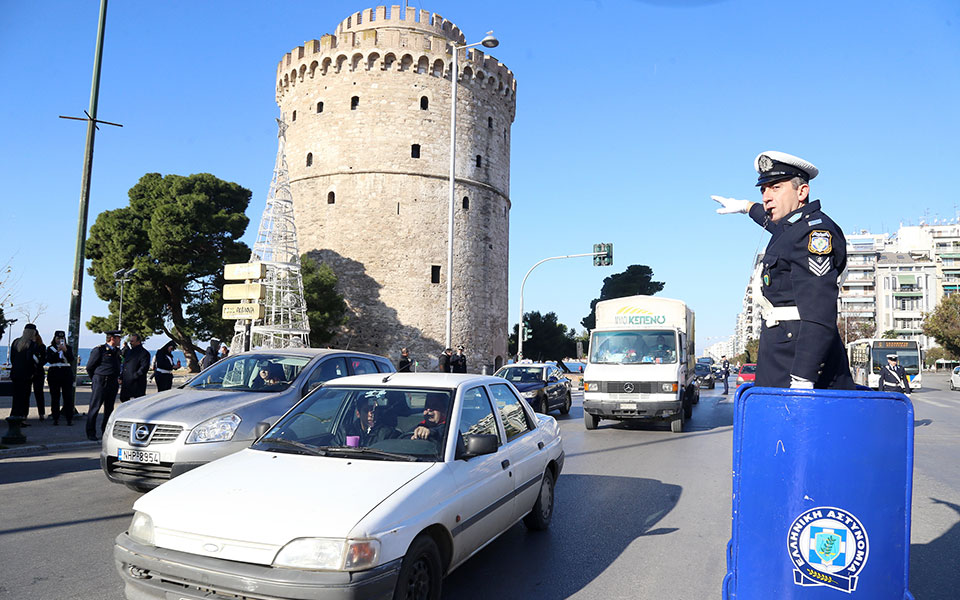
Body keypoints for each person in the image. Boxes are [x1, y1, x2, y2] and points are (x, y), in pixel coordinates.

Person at [713, 151, 854, 390]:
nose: (767, 197)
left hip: (797, 362)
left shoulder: (814, 234)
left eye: (775, 187)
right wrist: (747, 207)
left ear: (802, 192)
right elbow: (774, 225)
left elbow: (820, 313)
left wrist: (803, 378)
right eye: (763, 189)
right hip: (781, 356)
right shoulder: (793, 228)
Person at [86, 330, 123, 441]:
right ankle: (91, 432)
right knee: (95, 407)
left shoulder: (116, 351)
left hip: (112, 382)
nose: (120, 340)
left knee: (109, 409)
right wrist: (96, 379)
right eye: (118, 338)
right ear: (112, 338)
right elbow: (89, 367)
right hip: (101, 381)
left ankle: (105, 432)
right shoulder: (99, 350)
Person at [10, 323, 41, 426]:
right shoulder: (32, 345)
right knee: (24, 396)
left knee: (16, 396)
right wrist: (32, 372)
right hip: (26, 374)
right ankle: (22, 417)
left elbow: (12, 358)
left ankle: (14, 415)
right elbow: (34, 360)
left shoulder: (16, 342)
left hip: (15, 373)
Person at [46, 330, 76, 426]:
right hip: (54, 372)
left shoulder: (69, 348)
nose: (60, 340)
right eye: (58, 338)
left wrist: (65, 350)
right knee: (55, 396)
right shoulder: (50, 348)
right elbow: (50, 360)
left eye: (62, 338)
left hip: (66, 372)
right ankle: (55, 417)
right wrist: (57, 351)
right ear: (54, 339)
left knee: (68, 396)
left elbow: (71, 359)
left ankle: (69, 418)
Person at [120, 334, 151, 401]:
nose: (130, 343)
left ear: (138, 341)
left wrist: (134, 376)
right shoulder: (128, 352)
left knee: (137, 402)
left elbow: (144, 367)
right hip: (126, 382)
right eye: (130, 341)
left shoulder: (144, 353)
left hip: (137, 383)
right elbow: (125, 365)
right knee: (124, 400)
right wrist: (121, 377)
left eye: (132, 341)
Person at [32, 332, 47, 421]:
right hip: (29, 371)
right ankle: (24, 414)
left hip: (38, 372)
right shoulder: (27, 345)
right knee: (25, 394)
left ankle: (41, 413)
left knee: (39, 393)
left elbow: (44, 359)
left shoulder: (42, 346)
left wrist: (39, 363)